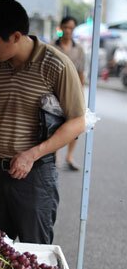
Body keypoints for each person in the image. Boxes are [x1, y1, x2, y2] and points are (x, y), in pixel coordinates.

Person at [0, 0, 86, 244]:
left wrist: (32, 154)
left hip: (35, 177)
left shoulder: (56, 65)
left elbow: (78, 121)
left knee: (33, 255)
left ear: (15, 36)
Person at [52, 16, 85, 170]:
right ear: (61, 27)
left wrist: (81, 94)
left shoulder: (79, 50)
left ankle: (69, 156)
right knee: (54, 124)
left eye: (71, 28)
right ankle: (55, 154)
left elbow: (80, 73)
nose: (68, 30)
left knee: (75, 125)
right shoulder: (52, 47)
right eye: (65, 27)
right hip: (54, 93)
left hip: (73, 93)